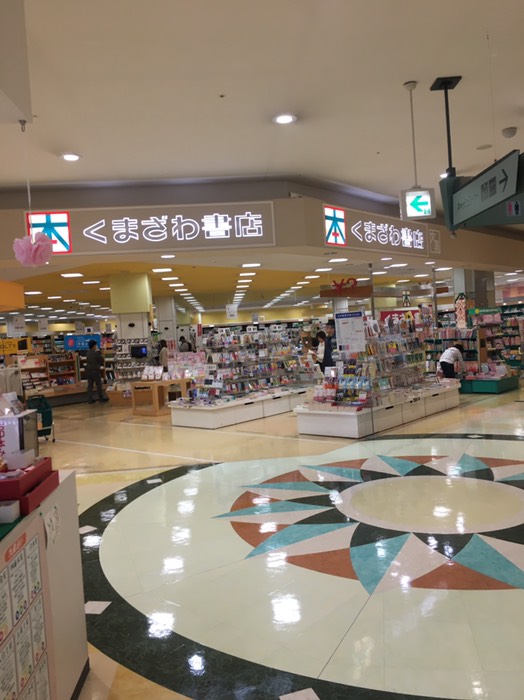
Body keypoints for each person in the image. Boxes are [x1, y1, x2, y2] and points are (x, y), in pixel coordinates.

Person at [85, 339, 108, 403]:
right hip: (95, 370)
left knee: (90, 385)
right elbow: (102, 359)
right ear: (94, 346)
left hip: (88, 370)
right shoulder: (95, 353)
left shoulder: (88, 353)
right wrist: (99, 352)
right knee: (99, 385)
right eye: (95, 345)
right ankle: (101, 398)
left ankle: (90, 399)